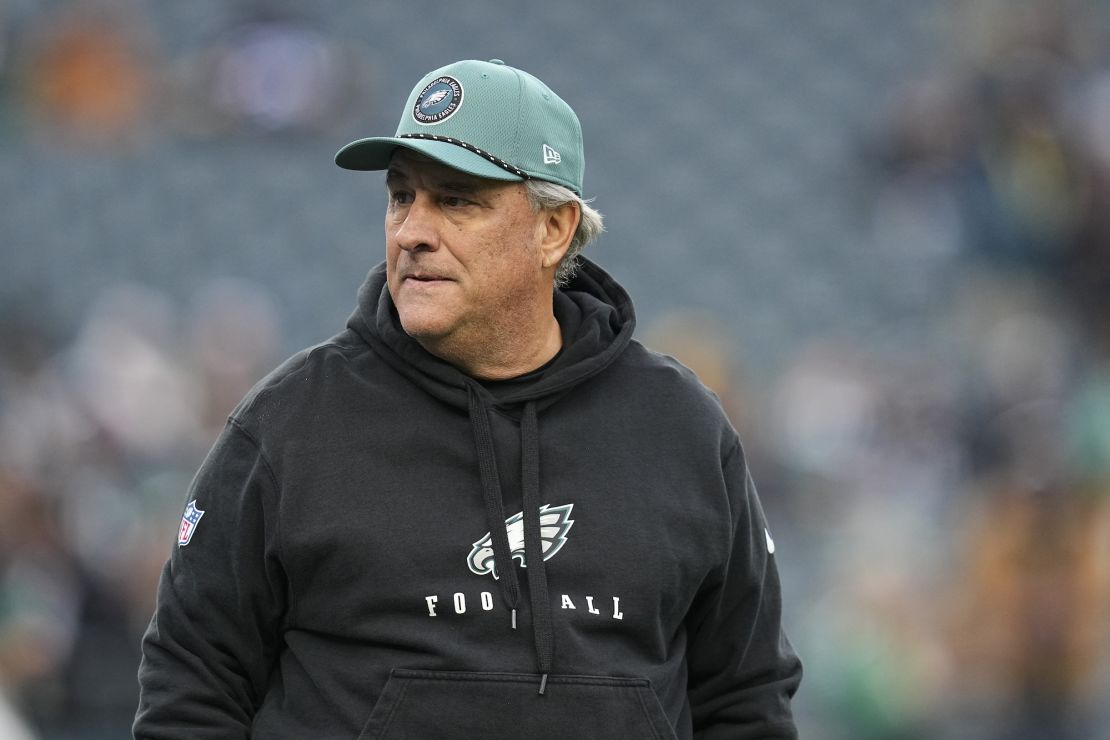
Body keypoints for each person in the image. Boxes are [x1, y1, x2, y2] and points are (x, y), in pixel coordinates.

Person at [134, 58, 802, 739]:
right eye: (401, 197)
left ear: (554, 229)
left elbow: (746, 698)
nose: (411, 231)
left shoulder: (681, 429)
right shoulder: (289, 424)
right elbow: (190, 687)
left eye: (456, 200)